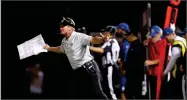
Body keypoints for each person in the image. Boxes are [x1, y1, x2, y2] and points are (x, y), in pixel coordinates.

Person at [43, 17, 108, 99]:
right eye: (60, 26)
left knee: (98, 94)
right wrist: (49, 48)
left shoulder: (79, 36)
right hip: (79, 71)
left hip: (89, 68)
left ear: (70, 28)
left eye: (63, 26)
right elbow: (60, 49)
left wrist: (102, 39)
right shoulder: (64, 40)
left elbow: (93, 40)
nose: (60, 27)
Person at [89, 26, 120, 100]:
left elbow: (102, 50)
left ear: (108, 33)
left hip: (110, 67)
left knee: (110, 91)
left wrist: (88, 47)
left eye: (105, 32)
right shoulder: (110, 41)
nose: (103, 33)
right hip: (109, 67)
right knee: (107, 90)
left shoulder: (111, 41)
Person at [144, 25, 167, 100]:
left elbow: (164, 58)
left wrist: (151, 62)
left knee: (159, 95)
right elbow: (147, 39)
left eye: (154, 36)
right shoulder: (150, 40)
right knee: (152, 94)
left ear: (159, 34)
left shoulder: (163, 43)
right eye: (152, 36)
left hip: (160, 73)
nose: (152, 38)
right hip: (151, 72)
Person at [163, 27, 186, 99]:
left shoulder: (176, 46)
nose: (166, 40)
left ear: (171, 35)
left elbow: (172, 62)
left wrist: (165, 73)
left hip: (179, 73)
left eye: (166, 37)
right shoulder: (182, 39)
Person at [123, 26, 146, 99]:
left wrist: (126, 68)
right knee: (128, 94)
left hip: (136, 76)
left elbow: (138, 62)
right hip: (131, 75)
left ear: (132, 35)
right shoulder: (132, 45)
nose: (126, 37)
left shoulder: (138, 45)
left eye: (127, 35)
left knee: (136, 95)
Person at [116, 23, 130, 100]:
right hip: (122, 70)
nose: (117, 31)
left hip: (125, 70)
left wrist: (123, 68)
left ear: (122, 30)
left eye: (118, 29)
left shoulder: (126, 44)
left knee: (123, 91)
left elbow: (127, 59)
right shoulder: (123, 42)